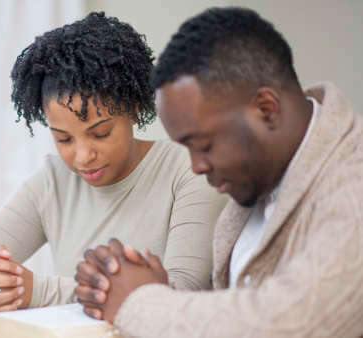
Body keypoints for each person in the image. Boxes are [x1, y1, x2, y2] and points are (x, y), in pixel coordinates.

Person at [74, 7, 363, 337]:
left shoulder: (354, 185)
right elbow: (237, 306)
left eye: (205, 145)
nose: (196, 166)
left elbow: (288, 324)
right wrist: (146, 288)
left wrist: (140, 302)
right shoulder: (257, 186)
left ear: (266, 109)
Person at [0, 12, 226, 314]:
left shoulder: (188, 171)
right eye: (64, 139)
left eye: (100, 133)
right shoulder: (54, 181)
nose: (83, 157)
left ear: (134, 109)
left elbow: (182, 291)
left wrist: (37, 291)